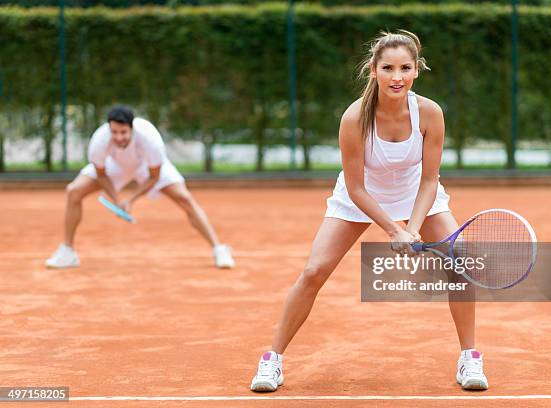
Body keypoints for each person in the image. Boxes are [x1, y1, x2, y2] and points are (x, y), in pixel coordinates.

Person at [250, 30, 487, 392]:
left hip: (416, 194)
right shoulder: (354, 118)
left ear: (416, 71)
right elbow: (357, 188)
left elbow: (428, 180)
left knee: (460, 263)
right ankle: (273, 359)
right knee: (314, 271)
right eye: (388, 68)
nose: (397, 77)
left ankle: (469, 356)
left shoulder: (429, 113)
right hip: (359, 197)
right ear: (373, 70)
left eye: (405, 68)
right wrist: (394, 230)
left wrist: (414, 227)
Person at [45, 105, 235, 269]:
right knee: (73, 191)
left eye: (123, 132)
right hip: (115, 165)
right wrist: (117, 200)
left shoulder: (150, 140)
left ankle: (219, 249)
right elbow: (102, 175)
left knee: (184, 198)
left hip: (147, 167)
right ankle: (68, 252)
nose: (118, 137)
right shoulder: (99, 141)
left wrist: (131, 200)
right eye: (114, 132)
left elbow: (154, 177)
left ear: (132, 129)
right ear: (109, 128)